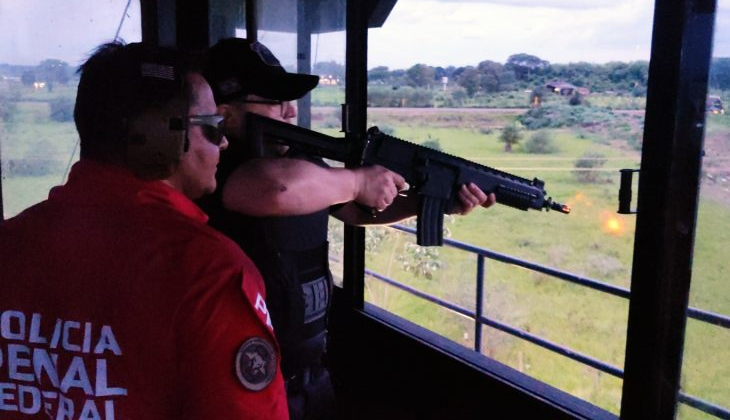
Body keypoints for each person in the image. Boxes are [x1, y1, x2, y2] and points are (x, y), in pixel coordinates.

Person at [200, 37, 496, 420]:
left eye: (291, 100)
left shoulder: (300, 158)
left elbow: (355, 211)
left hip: (309, 368)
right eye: (274, 100)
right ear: (226, 114)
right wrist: (357, 179)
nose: (291, 112)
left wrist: (433, 202)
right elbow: (278, 188)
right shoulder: (217, 170)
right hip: (244, 378)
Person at [0, 42, 288, 419]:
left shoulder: (10, 242)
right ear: (160, 135)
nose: (224, 142)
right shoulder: (210, 273)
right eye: (213, 127)